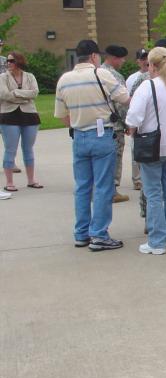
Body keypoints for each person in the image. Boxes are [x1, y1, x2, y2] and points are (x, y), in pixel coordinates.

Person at [54, 40, 130, 251]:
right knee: (104, 187)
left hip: (79, 135)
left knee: (82, 187)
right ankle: (99, 234)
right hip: (102, 134)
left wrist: (78, 123)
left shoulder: (65, 80)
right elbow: (125, 99)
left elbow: (61, 115)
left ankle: (81, 233)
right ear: (94, 56)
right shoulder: (101, 74)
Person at [125, 47, 166, 254]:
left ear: (153, 65)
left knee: (153, 194)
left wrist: (131, 129)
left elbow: (134, 117)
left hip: (152, 146)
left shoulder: (147, 86)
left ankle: (157, 240)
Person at [0, 52, 42, 191]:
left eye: (11, 61)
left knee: (28, 148)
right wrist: (24, 95)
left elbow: (35, 92)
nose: (8, 63)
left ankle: (31, 180)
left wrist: (16, 93)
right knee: (10, 149)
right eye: (8, 61)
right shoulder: (3, 77)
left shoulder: (30, 76)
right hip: (9, 115)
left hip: (29, 115)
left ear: (19, 61)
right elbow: (4, 95)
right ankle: (9, 183)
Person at [101, 44, 130, 203]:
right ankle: (112, 190)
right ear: (113, 58)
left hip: (99, 124)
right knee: (115, 157)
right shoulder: (115, 76)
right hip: (115, 125)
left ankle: (101, 188)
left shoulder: (95, 72)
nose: (123, 61)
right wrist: (127, 123)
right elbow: (121, 103)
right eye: (121, 58)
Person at [125, 48, 149, 191]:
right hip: (138, 118)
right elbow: (129, 99)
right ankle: (137, 179)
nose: (145, 61)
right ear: (138, 61)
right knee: (136, 150)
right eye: (142, 58)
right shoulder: (133, 79)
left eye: (147, 58)